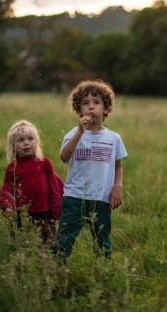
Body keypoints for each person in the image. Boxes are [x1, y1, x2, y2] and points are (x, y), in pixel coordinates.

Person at [51, 80, 128, 262]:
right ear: (79, 110)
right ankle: (55, 273)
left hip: (101, 198)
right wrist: (80, 132)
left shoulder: (113, 138)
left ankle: (103, 273)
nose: (91, 107)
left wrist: (117, 187)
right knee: (64, 239)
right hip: (74, 196)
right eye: (85, 103)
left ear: (106, 108)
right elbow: (64, 157)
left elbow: (118, 167)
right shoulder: (73, 134)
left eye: (96, 102)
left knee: (102, 241)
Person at [0, 119, 64, 244]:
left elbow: (54, 186)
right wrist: (7, 206)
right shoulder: (12, 167)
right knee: (24, 244)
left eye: (30, 139)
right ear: (13, 146)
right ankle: (25, 262)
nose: (26, 143)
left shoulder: (44, 163)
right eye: (20, 140)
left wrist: (56, 209)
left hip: (45, 215)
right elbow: (7, 189)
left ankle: (47, 263)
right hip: (22, 216)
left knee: (48, 244)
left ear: (36, 141)